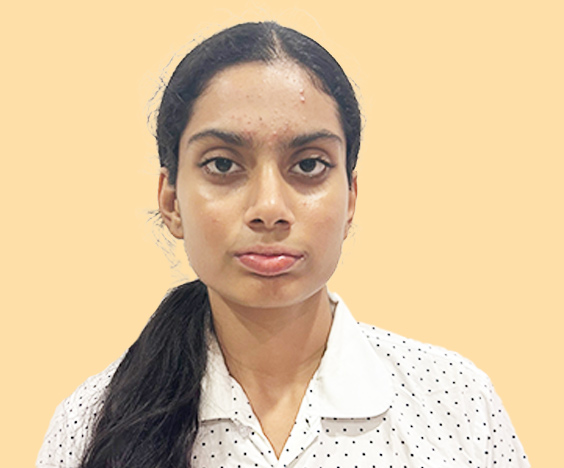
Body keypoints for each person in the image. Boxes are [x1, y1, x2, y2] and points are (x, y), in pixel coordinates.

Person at [36, 21, 530, 468]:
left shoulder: (458, 404)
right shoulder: (90, 426)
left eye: (309, 165)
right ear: (171, 201)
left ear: (350, 197)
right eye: (223, 164)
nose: (269, 207)